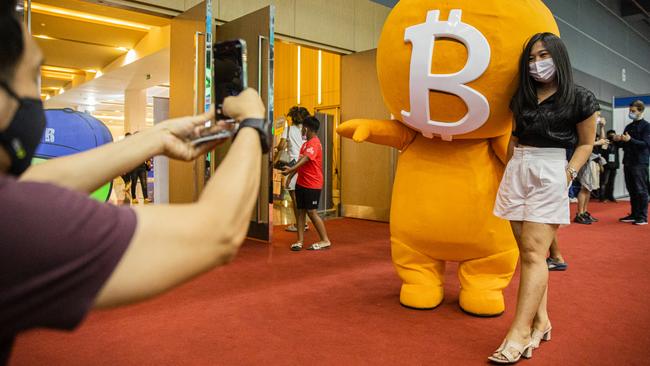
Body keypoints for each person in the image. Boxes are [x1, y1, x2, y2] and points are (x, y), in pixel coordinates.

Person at [0, 4, 270, 363]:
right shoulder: (14, 224)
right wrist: (254, 124)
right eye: (32, 76)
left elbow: (38, 184)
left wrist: (156, 137)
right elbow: (217, 233)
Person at [490, 33, 598, 363]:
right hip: (518, 169)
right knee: (527, 252)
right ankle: (541, 321)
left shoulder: (580, 97)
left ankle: (520, 334)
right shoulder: (522, 97)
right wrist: (510, 170)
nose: (537, 64)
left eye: (544, 56)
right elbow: (515, 137)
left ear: (559, 58)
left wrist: (567, 174)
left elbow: (586, 143)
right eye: (532, 58)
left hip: (552, 168)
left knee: (536, 253)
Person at [282, 116, 331, 251]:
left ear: (307, 128)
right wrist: (291, 176)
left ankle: (325, 240)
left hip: (313, 184)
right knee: (300, 211)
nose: (302, 130)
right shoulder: (305, 144)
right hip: (301, 183)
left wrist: (290, 170)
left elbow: (306, 159)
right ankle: (299, 241)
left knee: (312, 212)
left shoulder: (314, 143)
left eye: (303, 127)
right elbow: (299, 164)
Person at [615, 100, 650, 225]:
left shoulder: (647, 126)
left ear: (641, 110)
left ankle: (643, 216)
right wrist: (619, 140)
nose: (631, 113)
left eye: (633, 111)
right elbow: (624, 143)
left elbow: (646, 144)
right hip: (628, 161)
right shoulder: (628, 127)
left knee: (641, 190)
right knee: (632, 189)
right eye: (630, 111)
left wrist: (630, 140)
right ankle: (634, 214)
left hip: (640, 162)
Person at [574, 116, 607, 224]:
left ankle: (585, 212)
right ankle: (579, 213)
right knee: (585, 187)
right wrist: (598, 143)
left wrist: (602, 127)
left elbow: (603, 142)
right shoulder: (583, 129)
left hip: (594, 160)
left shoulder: (593, 131)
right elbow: (582, 144)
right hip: (586, 160)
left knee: (589, 188)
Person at [283, 106, 310, 233]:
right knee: (303, 196)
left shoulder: (288, 130)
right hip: (306, 163)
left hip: (293, 164)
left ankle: (300, 224)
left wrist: (278, 149)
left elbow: (282, 145)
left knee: (295, 197)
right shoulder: (306, 131)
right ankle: (303, 223)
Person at [599, 129, 621, 203]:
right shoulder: (605, 143)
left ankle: (611, 196)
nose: (612, 137)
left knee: (611, 182)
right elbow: (602, 150)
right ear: (608, 135)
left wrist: (618, 138)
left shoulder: (617, 144)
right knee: (604, 182)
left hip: (614, 165)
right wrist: (606, 141)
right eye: (611, 135)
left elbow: (622, 143)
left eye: (613, 135)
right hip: (606, 165)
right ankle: (602, 197)